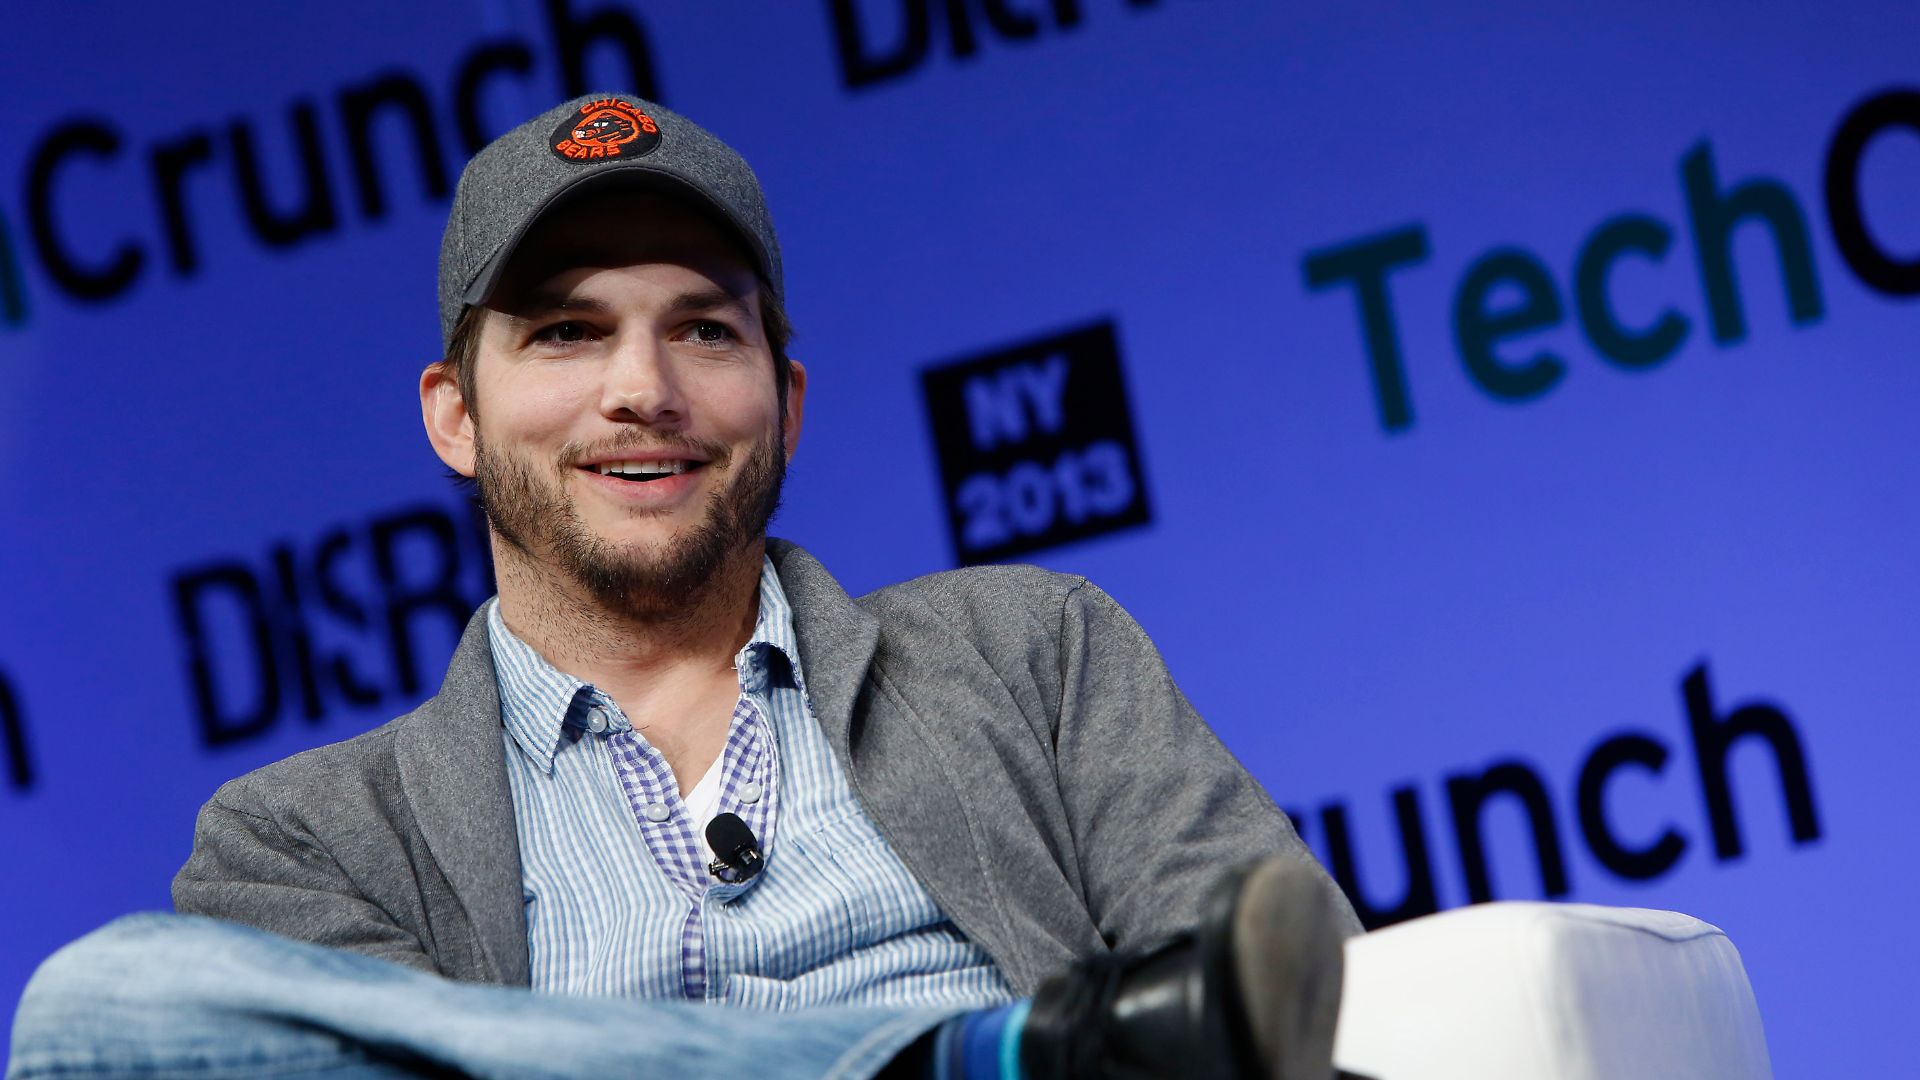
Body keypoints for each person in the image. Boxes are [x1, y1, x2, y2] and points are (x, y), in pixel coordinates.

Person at [7, 94, 1361, 1080]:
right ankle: (963, 1061)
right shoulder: (305, 837)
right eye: (564, 333)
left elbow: (1312, 1015)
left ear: (787, 399)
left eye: (705, 329)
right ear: (453, 417)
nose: (642, 390)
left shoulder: (1027, 652)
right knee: (98, 1000)